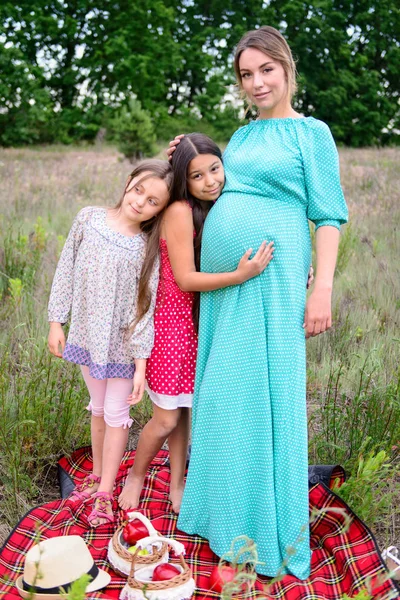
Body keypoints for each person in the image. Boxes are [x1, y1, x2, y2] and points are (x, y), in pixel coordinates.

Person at [174, 26, 348, 579]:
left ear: (286, 68)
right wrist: (180, 154)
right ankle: (219, 511)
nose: (256, 83)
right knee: (224, 387)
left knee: (262, 392)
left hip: (272, 280)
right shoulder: (242, 136)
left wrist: (322, 286)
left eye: (265, 70)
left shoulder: (310, 133)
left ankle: (265, 527)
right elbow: (210, 184)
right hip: (228, 283)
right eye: (246, 75)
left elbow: (328, 215)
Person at [118, 134, 274, 513]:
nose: (210, 181)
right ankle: (136, 475)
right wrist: (241, 275)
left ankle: (177, 483)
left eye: (215, 170)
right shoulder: (179, 211)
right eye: (196, 175)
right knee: (167, 416)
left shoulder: (218, 205)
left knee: (186, 410)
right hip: (173, 323)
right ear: (183, 182)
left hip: (201, 320)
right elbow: (186, 280)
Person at [47, 160, 173, 526]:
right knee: (98, 407)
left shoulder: (145, 247)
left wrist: (141, 363)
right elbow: (65, 269)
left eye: (153, 201)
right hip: (87, 337)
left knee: (117, 415)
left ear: (160, 210)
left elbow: (144, 307)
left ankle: (105, 492)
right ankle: (98, 471)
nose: (140, 202)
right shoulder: (88, 219)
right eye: (139, 191)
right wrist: (57, 321)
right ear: (129, 181)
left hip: (120, 347)